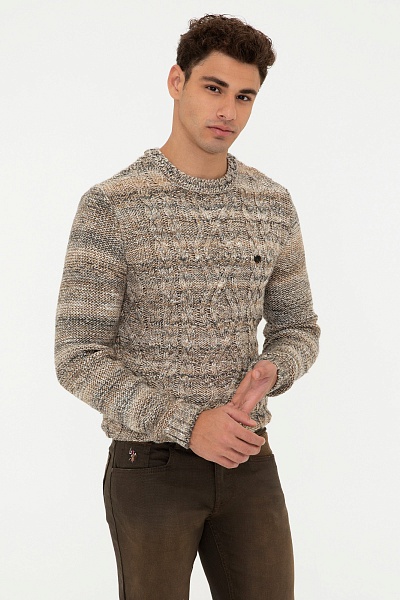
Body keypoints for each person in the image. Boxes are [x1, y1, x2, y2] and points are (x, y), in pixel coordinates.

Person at [55, 14, 320, 600]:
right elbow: (77, 355)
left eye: (245, 96)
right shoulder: (112, 206)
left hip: (248, 458)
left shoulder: (272, 203)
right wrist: (186, 425)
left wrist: (275, 368)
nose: (228, 110)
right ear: (177, 82)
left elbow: (298, 326)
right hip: (149, 467)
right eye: (213, 87)